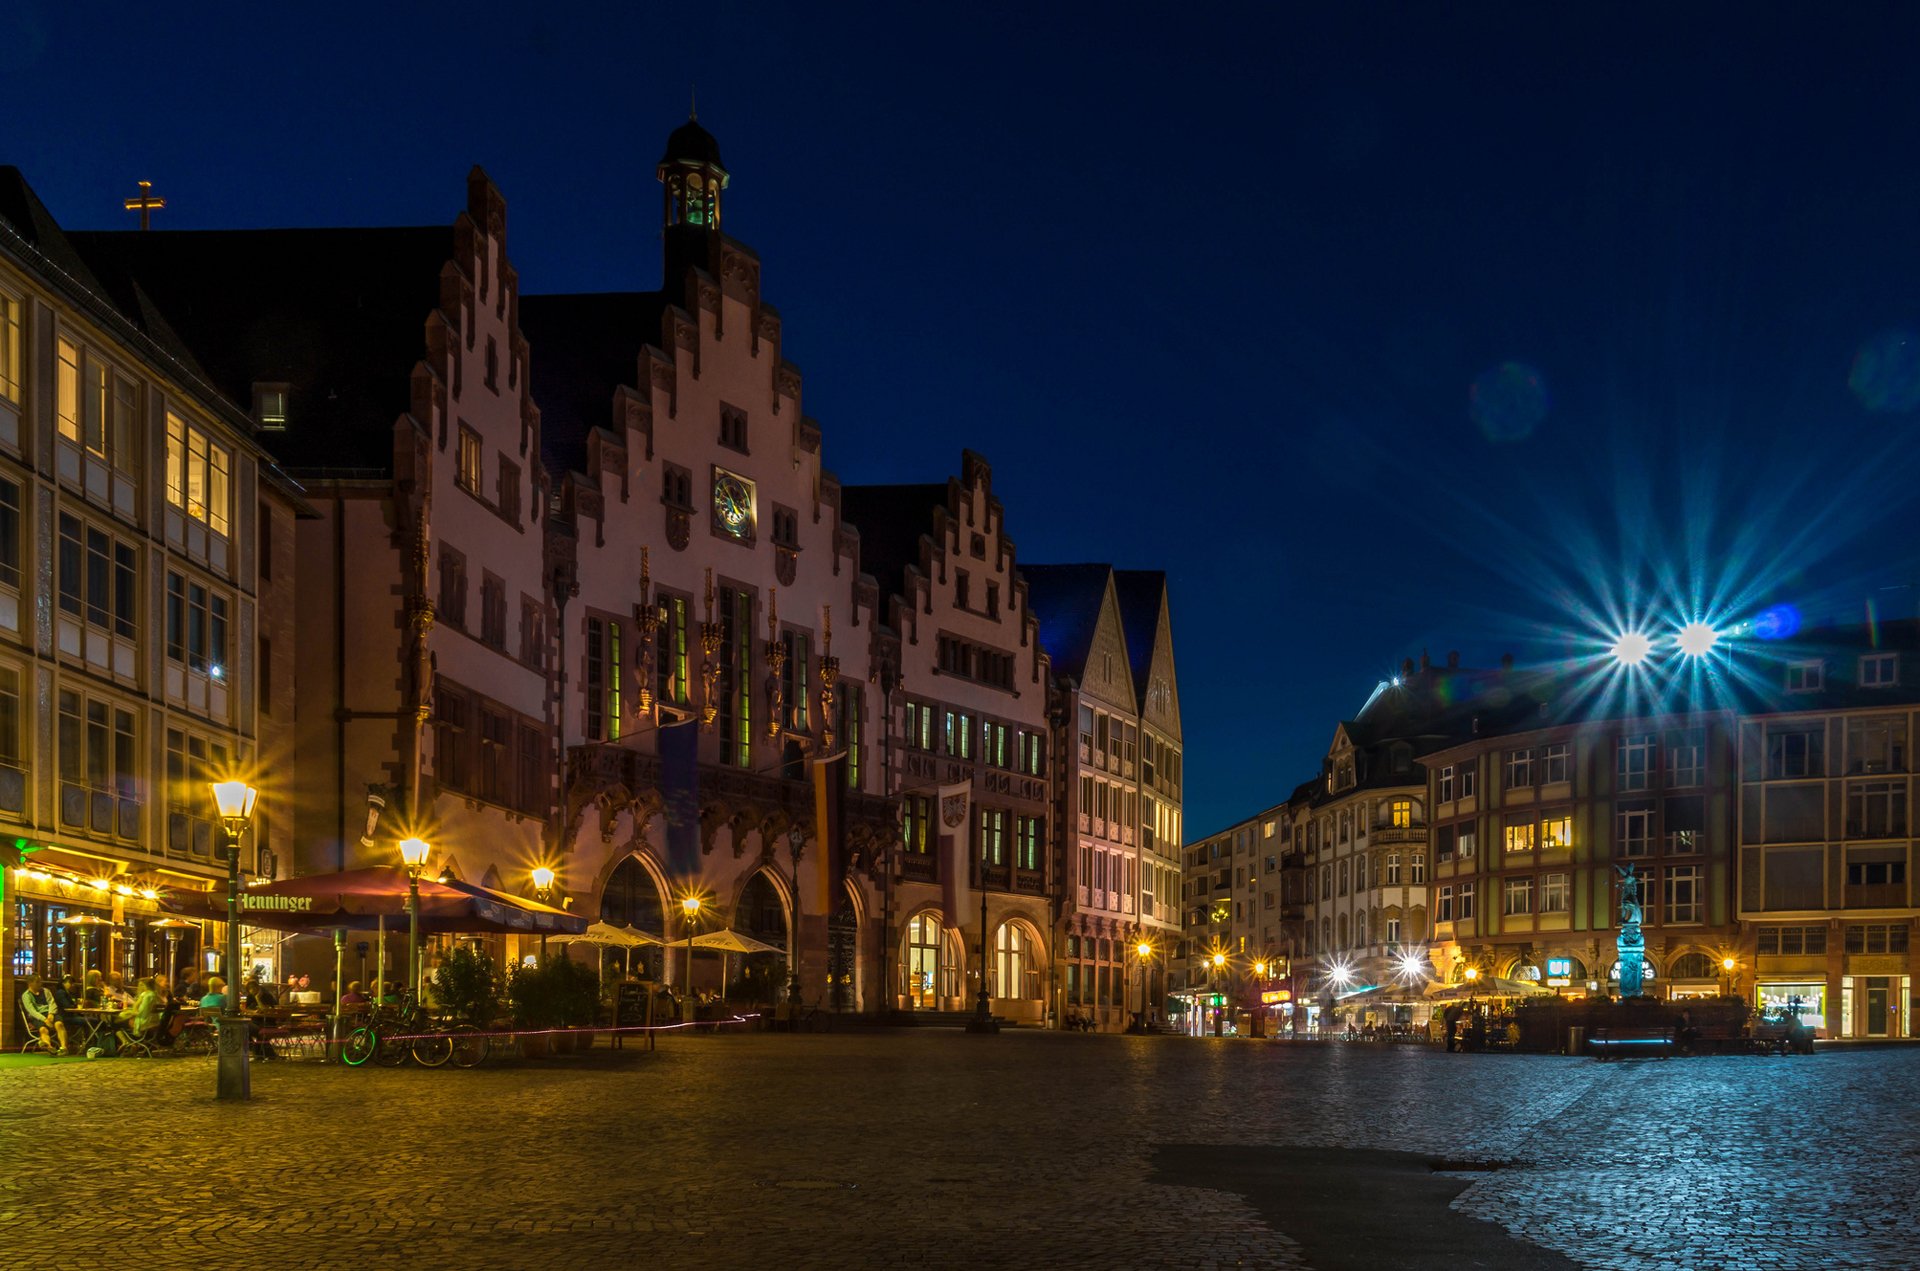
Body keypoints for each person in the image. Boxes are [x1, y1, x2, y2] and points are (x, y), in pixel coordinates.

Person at [20, 977, 70, 1054]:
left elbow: (52, 1003)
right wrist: (44, 1019)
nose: (40, 984)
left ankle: (64, 1047)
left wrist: (51, 1014)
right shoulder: (26, 995)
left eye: (40, 982)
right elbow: (31, 1011)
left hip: (50, 1013)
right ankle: (49, 1046)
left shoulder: (46, 991)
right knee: (43, 1029)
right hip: (38, 1016)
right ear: (30, 983)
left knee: (59, 1024)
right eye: (37, 982)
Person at [115, 976, 161, 1053]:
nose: (139, 987)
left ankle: (127, 1042)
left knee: (115, 1022)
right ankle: (131, 1044)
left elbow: (142, 1011)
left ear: (147, 986)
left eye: (141, 985)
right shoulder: (155, 995)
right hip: (154, 1022)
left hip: (143, 1023)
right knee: (120, 1020)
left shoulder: (147, 995)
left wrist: (131, 1013)